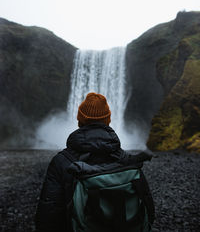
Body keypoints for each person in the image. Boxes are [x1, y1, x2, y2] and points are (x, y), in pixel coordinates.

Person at [35, 92, 155, 232]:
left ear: (80, 121)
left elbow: (48, 214)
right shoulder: (126, 160)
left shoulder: (61, 161)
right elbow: (148, 208)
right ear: (108, 121)